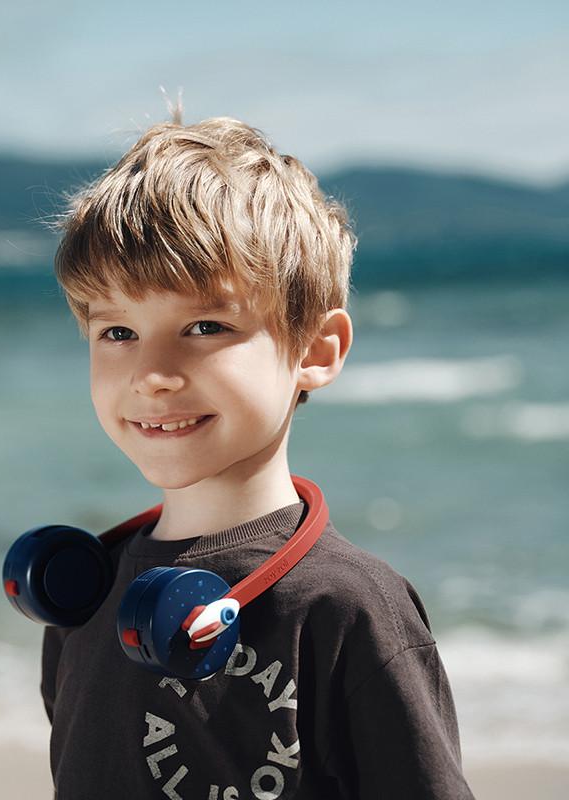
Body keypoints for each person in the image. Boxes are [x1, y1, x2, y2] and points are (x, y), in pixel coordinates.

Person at [39, 113, 475, 799]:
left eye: (204, 326)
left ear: (315, 351)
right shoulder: (87, 602)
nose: (152, 374)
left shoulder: (348, 608)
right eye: (117, 331)